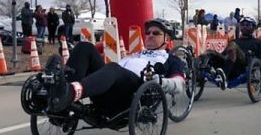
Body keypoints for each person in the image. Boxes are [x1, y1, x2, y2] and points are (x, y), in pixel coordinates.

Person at [43, 18, 185, 115]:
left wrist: (160, 82)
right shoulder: (136, 54)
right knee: (85, 47)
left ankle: (70, 93)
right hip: (108, 86)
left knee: (113, 68)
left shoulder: (170, 59)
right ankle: (60, 94)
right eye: (147, 33)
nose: (149, 36)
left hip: (130, 95)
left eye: (156, 33)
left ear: (167, 39)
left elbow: (179, 84)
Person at [199, 16, 261, 89]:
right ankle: (198, 76)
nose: (244, 27)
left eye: (248, 25)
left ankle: (224, 76)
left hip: (243, 66)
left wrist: (254, 63)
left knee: (233, 45)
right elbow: (223, 54)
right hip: (228, 64)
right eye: (243, 25)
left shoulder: (260, 43)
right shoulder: (234, 41)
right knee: (209, 52)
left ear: (253, 28)